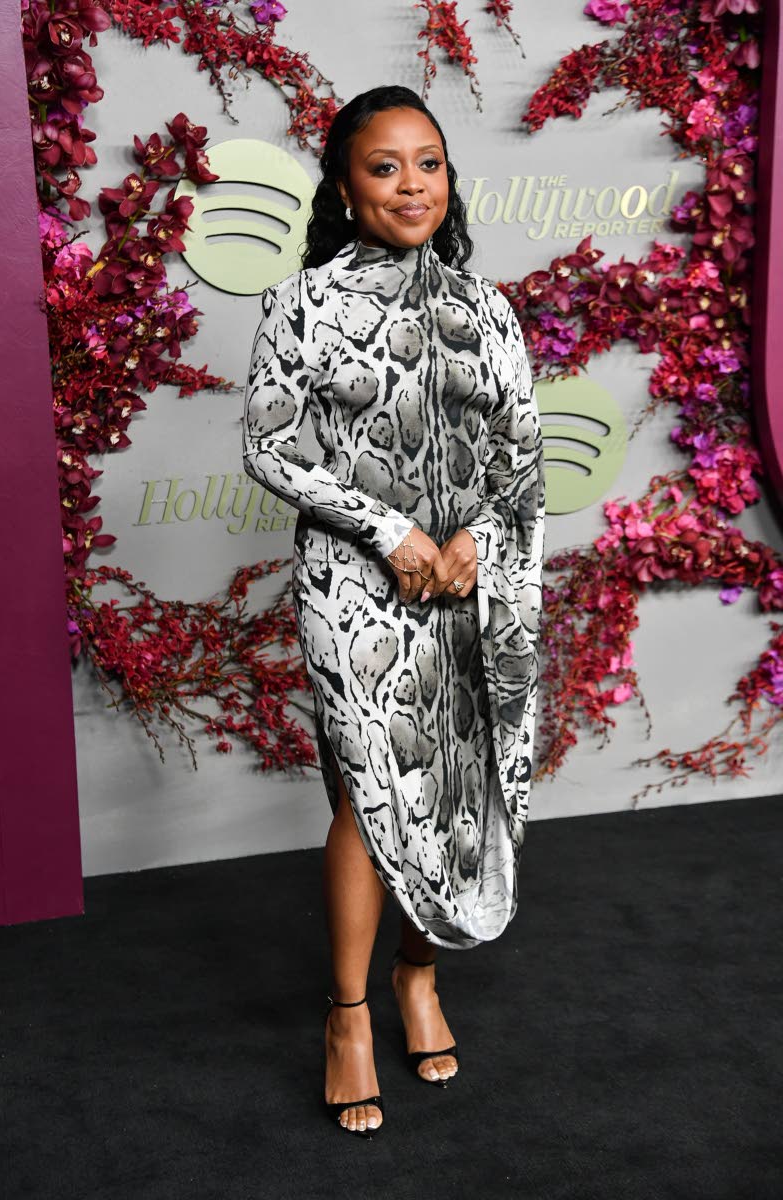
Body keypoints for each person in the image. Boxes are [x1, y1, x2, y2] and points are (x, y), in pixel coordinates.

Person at [242, 84, 545, 1139]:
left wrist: (471, 544)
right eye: (384, 167)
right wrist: (391, 532)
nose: (411, 185)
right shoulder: (304, 304)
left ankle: (419, 978)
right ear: (343, 186)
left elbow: (520, 460)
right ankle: (348, 1018)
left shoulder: (485, 308)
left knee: (453, 793)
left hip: (466, 588)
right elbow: (271, 446)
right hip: (356, 587)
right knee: (370, 798)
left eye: (429, 163)